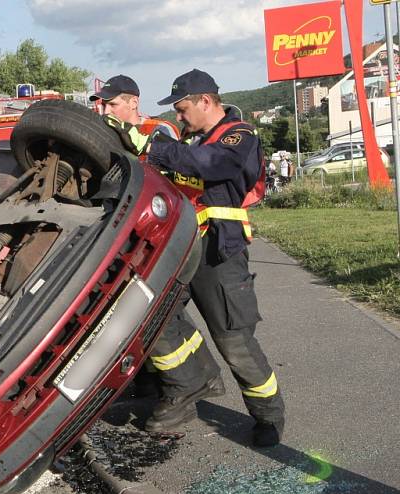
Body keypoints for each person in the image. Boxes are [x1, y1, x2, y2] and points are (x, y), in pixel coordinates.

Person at [106, 69, 285, 447]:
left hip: (219, 254)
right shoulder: (188, 139)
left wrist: (154, 146)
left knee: (234, 341)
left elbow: (210, 164)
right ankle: (189, 382)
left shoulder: (239, 136)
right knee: (152, 317)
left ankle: (268, 415)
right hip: (179, 249)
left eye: (183, 108)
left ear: (206, 101)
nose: (180, 116)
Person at [92, 75, 223, 405]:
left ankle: (190, 381)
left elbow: (170, 180)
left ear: (133, 102)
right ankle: (166, 382)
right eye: (102, 104)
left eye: (111, 104)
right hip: (134, 237)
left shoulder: (157, 132)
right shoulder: (115, 136)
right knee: (151, 313)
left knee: (153, 313)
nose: (104, 110)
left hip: (162, 236)